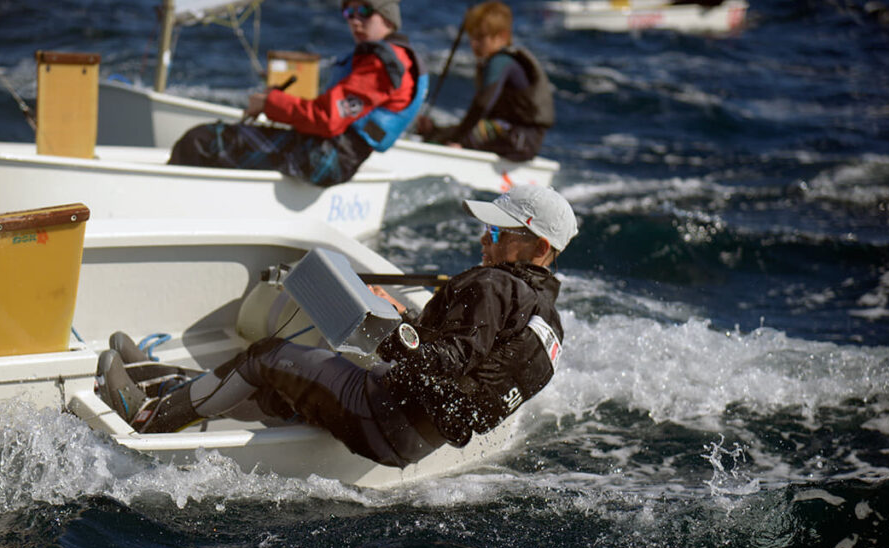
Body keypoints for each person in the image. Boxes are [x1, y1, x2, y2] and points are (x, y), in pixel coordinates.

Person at [98, 184, 578, 469]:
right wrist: (410, 322)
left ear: (538, 248)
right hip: (413, 439)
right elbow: (472, 377)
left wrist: (395, 336)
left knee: (267, 355)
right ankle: (168, 385)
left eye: (497, 233)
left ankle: (149, 417)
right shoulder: (547, 322)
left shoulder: (496, 286)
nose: (484, 239)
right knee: (284, 388)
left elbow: (446, 363)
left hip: (381, 412)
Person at [167, 0, 427, 187]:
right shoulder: (386, 59)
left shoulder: (382, 64)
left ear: (389, 18)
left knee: (203, 141)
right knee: (216, 141)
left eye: (366, 10)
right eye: (349, 10)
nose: (355, 19)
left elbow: (327, 119)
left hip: (326, 158)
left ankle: (175, 203)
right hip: (328, 152)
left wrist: (270, 103)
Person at [415, 1, 554, 162]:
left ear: (502, 36)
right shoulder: (495, 61)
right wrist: (436, 130)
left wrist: (458, 141)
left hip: (520, 139)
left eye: (480, 38)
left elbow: (482, 104)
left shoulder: (500, 61)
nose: (474, 44)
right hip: (517, 136)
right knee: (438, 133)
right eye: (472, 37)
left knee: (451, 137)